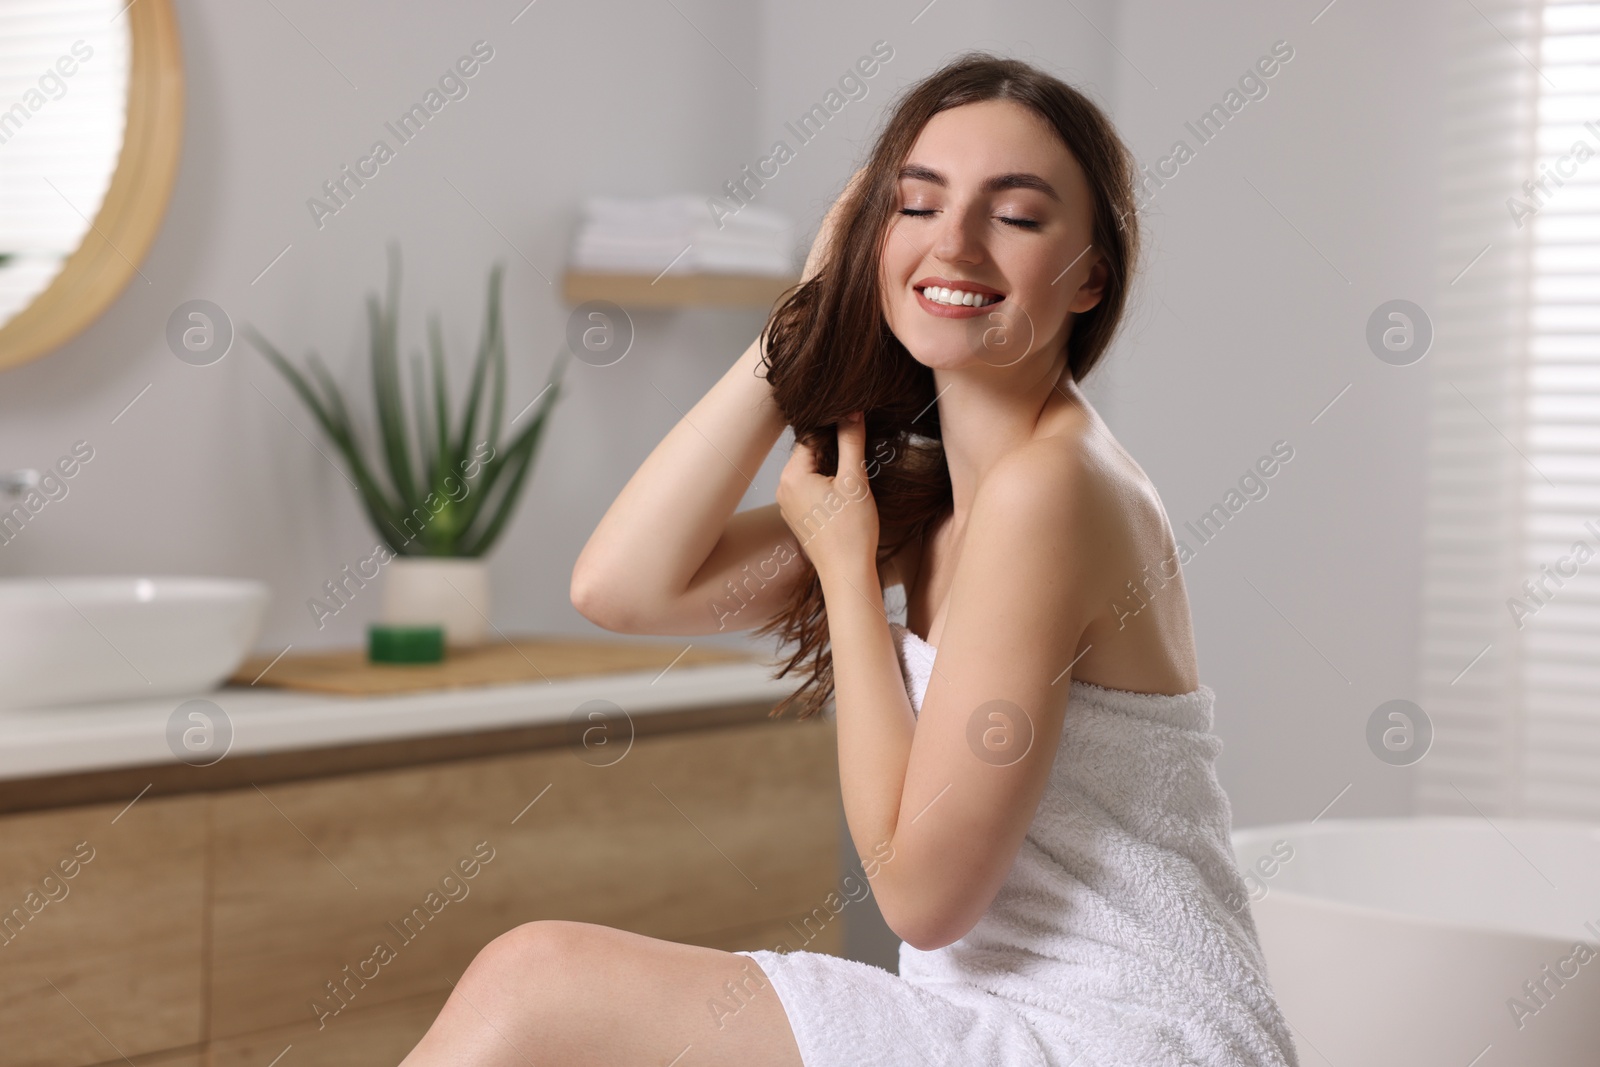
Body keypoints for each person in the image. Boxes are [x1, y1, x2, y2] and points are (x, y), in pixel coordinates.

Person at [401, 51, 1300, 1067]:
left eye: (1014, 216)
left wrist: (842, 569)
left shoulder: (1053, 489)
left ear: (1091, 272)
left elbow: (922, 898)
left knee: (533, 980)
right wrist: (809, 311)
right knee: (529, 982)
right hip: (1004, 1015)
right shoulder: (940, 489)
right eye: (915, 206)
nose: (953, 243)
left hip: (1120, 1034)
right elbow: (621, 585)